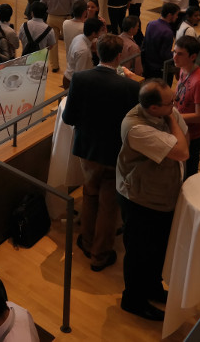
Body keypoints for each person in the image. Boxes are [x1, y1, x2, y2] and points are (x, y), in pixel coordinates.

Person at [62, 34, 140, 271]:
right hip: (115, 152)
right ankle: (100, 254)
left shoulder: (80, 79)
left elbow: (68, 117)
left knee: (89, 194)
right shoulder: (131, 87)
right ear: (119, 56)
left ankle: (87, 242)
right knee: (109, 204)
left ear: (97, 53)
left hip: (87, 150)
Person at [116, 79, 189, 322]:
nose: (175, 106)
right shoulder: (135, 127)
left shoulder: (164, 111)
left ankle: (153, 288)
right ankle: (133, 300)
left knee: (158, 248)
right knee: (139, 252)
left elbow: (184, 138)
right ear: (154, 108)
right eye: (170, 103)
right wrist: (172, 121)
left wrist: (172, 119)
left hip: (162, 194)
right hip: (140, 198)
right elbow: (182, 151)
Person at [171, 35, 200, 179]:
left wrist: (173, 117)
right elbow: (179, 95)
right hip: (180, 131)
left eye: (180, 54)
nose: (175, 57)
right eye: (174, 52)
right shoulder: (182, 70)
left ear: (193, 56)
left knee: (188, 176)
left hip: (192, 137)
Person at [63, 16, 104, 89]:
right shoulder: (83, 51)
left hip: (70, 77)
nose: (101, 33)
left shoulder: (79, 37)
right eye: (101, 31)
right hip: (72, 82)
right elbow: (79, 74)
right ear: (94, 34)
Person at [142, 3, 179, 80]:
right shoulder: (168, 32)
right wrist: (175, 54)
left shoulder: (151, 24)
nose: (177, 17)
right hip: (158, 69)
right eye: (176, 14)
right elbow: (164, 55)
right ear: (169, 15)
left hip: (147, 64)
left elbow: (144, 44)